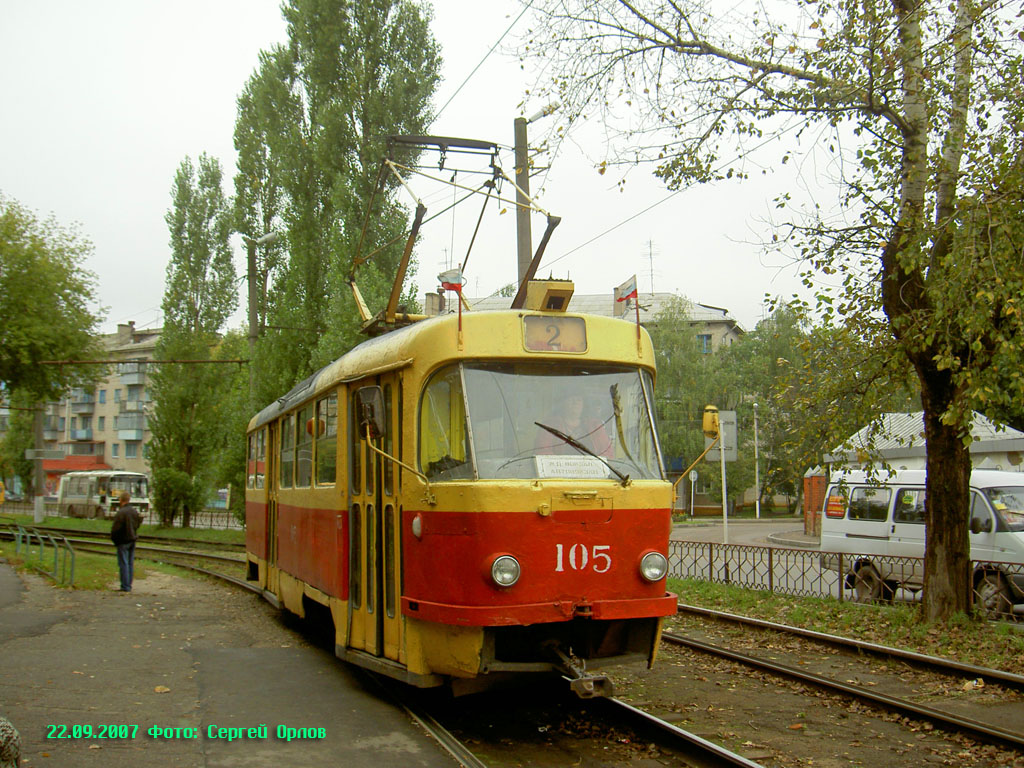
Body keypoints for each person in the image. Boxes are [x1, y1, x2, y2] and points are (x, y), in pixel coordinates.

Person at [534, 392, 612, 456]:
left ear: (584, 405)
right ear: (562, 403)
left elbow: (607, 453)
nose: (575, 402)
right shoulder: (550, 425)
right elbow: (542, 451)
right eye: (571, 399)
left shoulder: (595, 425)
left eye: (579, 400)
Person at [110, 491, 143, 592]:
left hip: (123, 540)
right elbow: (137, 523)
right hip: (132, 539)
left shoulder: (121, 513)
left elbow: (115, 529)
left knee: (123, 563)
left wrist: (114, 539)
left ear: (121, 500)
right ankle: (128, 584)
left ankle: (125, 586)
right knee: (129, 563)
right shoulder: (133, 511)